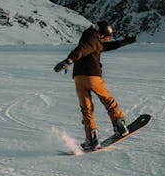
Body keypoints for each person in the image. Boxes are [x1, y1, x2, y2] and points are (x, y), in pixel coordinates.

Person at [53, 21, 136, 151]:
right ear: (102, 33)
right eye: (106, 36)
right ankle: (120, 124)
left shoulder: (92, 38)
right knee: (107, 100)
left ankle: (92, 139)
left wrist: (126, 42)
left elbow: (105, 46)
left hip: (79, 78)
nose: (105, 39)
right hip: (92, 76)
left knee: (86, 109)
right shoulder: (91, 40)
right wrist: (68, 60)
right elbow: (82, 50)